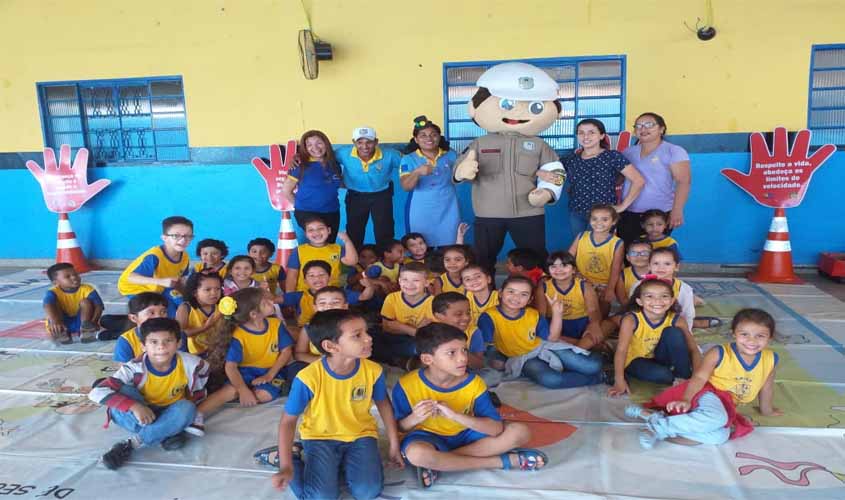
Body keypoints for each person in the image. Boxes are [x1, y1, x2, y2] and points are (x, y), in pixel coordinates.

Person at [270, 310, 403, 499]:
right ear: (330, 346)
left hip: (360, 435)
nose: (368, 338)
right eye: (357, 335)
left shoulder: (373, 371)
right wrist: (286, 466)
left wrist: (394, 445)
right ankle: (291, 455)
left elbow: (384, 405)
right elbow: (288, 421)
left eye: (366, 332)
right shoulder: (308, 378)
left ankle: (335, 467)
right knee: (321, 497)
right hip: (319, 437)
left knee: (367, 492)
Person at [393, 323, 545, 489]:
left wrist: (456, 416)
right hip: (428, 438)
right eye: (451, 353)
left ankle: (440, 463)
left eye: (464, 350)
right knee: (417, 454)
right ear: (427, 359)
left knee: (520, 432)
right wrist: (415, 417)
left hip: (467, 436)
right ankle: (500, 462)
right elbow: (399, 428)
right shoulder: (406, 385)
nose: (463, 358)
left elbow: (495, 429)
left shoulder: (474, 383)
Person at [624, 308, 781, 448]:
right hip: (708, 393)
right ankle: (658, 427)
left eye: (760, 336)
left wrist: (766, 410)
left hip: (726, 405)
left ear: (770, 337)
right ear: (734, 333)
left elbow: (766, 386)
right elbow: (699, 378)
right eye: (744, 334)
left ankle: (656, 420)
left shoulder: (771, 359)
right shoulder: (718, 352)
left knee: (720, 436)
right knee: (718, 419)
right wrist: (686, 399)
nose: (752, 341)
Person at [89, 317, 209, 470]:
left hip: (169, 410)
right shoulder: (134, 367)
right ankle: (166, 432)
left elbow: (201, 382)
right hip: (138, 414)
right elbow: (95, 392)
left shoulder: (193, 364)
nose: (161, 347)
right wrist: (135, 406)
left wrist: (190, 408)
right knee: (121, 392)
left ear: (179, 343)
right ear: (143, 346)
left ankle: (132, 443)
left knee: (187, 408)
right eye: (154, 342)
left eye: (168, 341)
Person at [194, 289, 298, 433]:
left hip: (271, 370)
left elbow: (286, 351)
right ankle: (195, 415)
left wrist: (269, 375)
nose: (271, 302)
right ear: (253, 314)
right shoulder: (238, 334)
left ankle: (245, 394)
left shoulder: (276, 325)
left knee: (265, 395)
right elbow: (231, 367)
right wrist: (242, 389)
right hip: (244, 372)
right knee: (230, 390)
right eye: (265, 302)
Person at [479, 276, 603, 389]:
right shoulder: (489, 317)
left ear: (530, 300)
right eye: (511, 292)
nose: (516, 297)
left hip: (542, 347)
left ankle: (597, 359)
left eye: (524, 294)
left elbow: (552, 339)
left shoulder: (533, 315)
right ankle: (600, 377)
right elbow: (487, 347)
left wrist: (557, 313)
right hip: (522, 358)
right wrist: (498, 360)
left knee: (592, 366)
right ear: (500, 293)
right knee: (551, 380)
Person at [608, 278, 701, 397]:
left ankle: (683, 377)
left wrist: (697, 378)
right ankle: (672, 376)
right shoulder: (631, 320)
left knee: (674, 333)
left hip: (661, 357)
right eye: (649, 296)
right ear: (639, 301)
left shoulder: (677, 320)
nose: (657, 301)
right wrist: (619, 380)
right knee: (664, 375)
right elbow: (621, 350)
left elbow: (693, 349)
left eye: (664, 296)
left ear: (672, 301)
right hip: (636, 361)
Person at [563, 118, 644, 238]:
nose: (586, 136)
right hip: (577, 212)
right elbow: (553, 171)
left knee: (600, 247)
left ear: (602, 136)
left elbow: (638, 180)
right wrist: (541, 172)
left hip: (603, 215)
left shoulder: (612, 157)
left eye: (591, 132)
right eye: (581, 133)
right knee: (581, 245)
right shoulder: (571, 160)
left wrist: (623, 206)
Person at [619, 112, 692, 244]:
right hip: (629, 211)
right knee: (630, 252)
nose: (643, 129)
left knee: (656, 253)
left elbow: (683, 182)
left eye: (649, 125)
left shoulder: (673, 151)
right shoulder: (628, 152)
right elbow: (619, 179)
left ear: (661, 129)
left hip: (659, 214)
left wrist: (677, 210)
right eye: (638, 126)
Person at [336, 126, 402, 250]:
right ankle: (354, 259)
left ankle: (385, 258)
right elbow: (326, 160)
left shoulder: (390, 154)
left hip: (381, 195)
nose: (365, 146)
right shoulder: (343, 153)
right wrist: (336, 178)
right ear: (354, 142)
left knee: (385, 229)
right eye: (360, 142)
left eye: (369, 142)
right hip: (355, 196)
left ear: (376, 142)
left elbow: (408, 162)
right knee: (354, 230)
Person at [400, 116, 461, 248]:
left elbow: (461, 176)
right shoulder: (408, 159)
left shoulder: (451, 155)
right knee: (421, 247)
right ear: (416, 139)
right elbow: (406, 186)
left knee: (450, 244)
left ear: (439, 137)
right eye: (423, 135)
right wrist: (417, 172)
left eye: (433, 134)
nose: (429, 138)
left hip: (448, 207)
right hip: (420, 208)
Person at [535, 251, 614, 351]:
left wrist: (594, 324)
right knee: (546, 336)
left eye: (564, 265)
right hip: (556, 325)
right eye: (553, 266)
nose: (558, 270)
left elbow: (593, 310)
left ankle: (579, 345)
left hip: (580, 324)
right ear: (548, 270)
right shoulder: (543, 287)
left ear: (573, 270)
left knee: (605, 326)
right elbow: (541, 314)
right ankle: (586, 345)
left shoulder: (584, 286)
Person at [117, 215, 193, 317]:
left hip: (161, 286)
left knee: (184, 304)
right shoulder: (154, 256)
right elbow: (131, 277)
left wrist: (189, 296)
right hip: (135, 288)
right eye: (176, 236)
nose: (183, 240)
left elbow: (181, 280)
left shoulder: (185, 256)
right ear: (164, 238)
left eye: (188, 236)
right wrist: (161, 281)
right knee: (166, 310)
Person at [631, 247, 720, 330]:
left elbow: (688, 314)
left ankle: (696, 323)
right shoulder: (639, 286)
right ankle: (697, 323)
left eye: (667, 264)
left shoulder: (684, 289)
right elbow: (633, 310)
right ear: (649, 266)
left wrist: (687, 332)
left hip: (672, 325)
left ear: (676, 267)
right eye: (656, 263)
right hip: (645, 326)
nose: (661, 267)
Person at [282, 130, 343, 242]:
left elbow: (335, 184)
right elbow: (286, 191)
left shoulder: (334, 164)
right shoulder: (300, 165)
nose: (315, 147)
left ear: (326, 144)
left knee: (329, 246)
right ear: (305, 148)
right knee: (315, 245)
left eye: (319, 143)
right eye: (309, 145)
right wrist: (301, 206)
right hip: (307, 213)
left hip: (332, 212)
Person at [293, 285, 374, 364]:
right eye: (322, 303)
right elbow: (299, 354)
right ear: (315, 307)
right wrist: (327, 362)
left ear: (345, 306)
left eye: (335, 302)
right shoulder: (309, 328)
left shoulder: (356, 326)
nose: (329, 306)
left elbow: (363, 349)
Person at [569, 204, 624, 316]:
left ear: (613, 221)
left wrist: (610, 289)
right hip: (581, 280)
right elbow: (569, 257)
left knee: (602, 311)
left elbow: (616, 268)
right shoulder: (581, 236)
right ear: (590, 220)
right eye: (594, 219)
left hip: (603, 284)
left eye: (605, 219)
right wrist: (574, 274)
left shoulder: (617, 242)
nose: (599, 222)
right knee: (583, 310)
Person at [378, 262, 435, 364]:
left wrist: (399, 326)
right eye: (405, 280)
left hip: (417, 341)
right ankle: (403, 359)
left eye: (416, 280)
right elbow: (386, 328)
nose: (409, 284)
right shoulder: (392, 298)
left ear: (427, 282)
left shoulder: (432, 302)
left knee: (425, 346)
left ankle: (403, 359)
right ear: (399, 281)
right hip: (394, 338)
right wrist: (416, 330)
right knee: (377, 341)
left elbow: (428, 334)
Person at [285, 216, 358, 292]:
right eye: (311, 230)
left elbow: (352, 261)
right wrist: (290, 296)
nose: (316, 232)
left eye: (320, 228)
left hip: (331, 293)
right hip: (305, 293)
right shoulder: (298, 250)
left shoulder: (337, 249)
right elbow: (292, 277)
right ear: (305, 234)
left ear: (329, 230)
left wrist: (347, 240)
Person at [43, 263, 103, 344]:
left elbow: (99, 306)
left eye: (75, 274)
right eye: (67, 277)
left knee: (85, 302)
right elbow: (47, 305)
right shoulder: (52, 292)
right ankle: (61, 332)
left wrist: (94, 321)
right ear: (56, 282)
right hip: (61, 322)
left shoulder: (87, 289)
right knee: (53, 306)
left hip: (82, 320)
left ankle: (86, 330)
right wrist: (55, 321)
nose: (74, 277)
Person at [113, 293, 169, 363]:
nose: (158, 317)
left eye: (163, 312)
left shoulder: (174, 334)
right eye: (151, 313)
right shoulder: (126, 341)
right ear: (133, 318)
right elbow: (124, 369)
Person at [175, 272, 222, 356]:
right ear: (195, 292)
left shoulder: (221, 307)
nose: (214, 293)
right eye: (208, 289)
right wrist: (205, 327)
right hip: (194, 355)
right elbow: (180, 334)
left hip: (216, 352)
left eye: (218, 289)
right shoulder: (185, 308)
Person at [461, 264, 499, 334]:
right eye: (468, 279)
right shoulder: (465, 299)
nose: (473, 280)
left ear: (488, 279)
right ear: (464, 286)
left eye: (478, 276)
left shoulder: (499, 297)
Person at [615, 240, 652, 306]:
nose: (639, 256)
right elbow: (623, 300)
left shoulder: (658, 273)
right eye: (633, 253)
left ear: (652, 256)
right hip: (631, 308)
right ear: (628, 257)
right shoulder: (622, 275)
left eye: (645, 253)